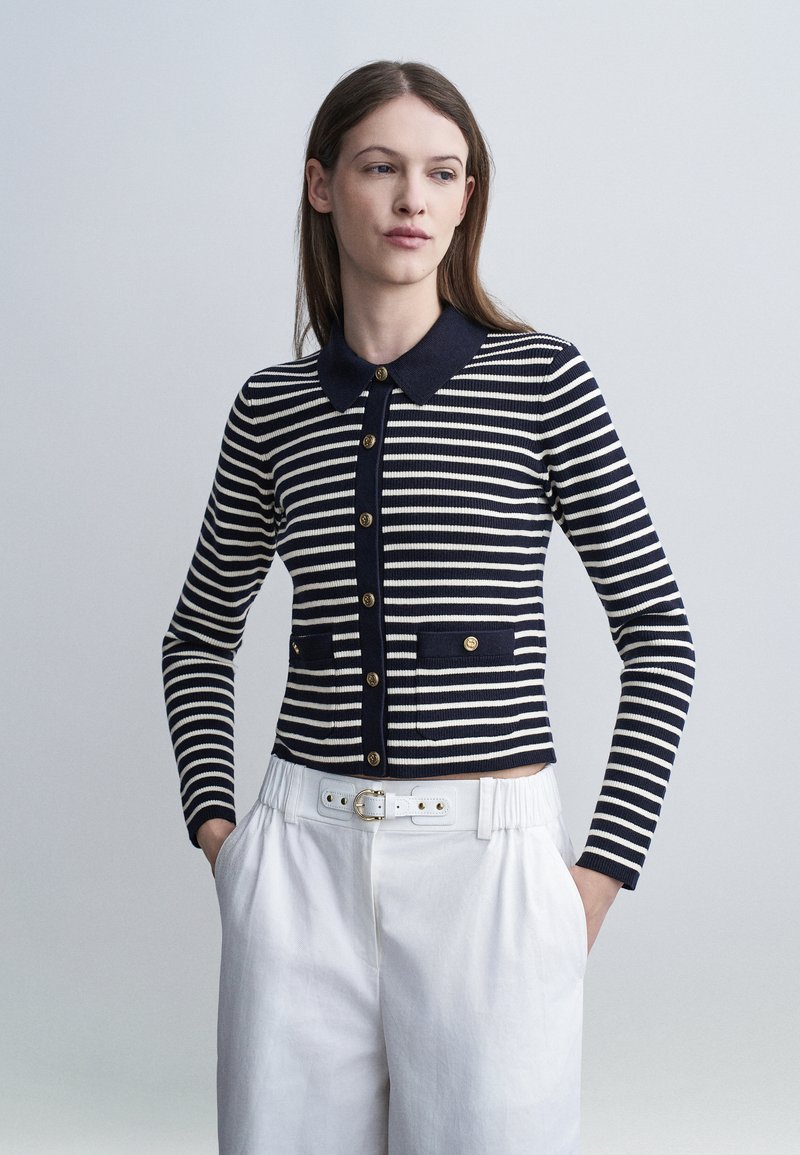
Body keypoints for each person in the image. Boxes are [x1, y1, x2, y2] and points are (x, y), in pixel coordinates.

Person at [161, 59, 696, 1155]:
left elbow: (659, 635)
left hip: (489, 873)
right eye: (381, 168)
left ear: (466, 198)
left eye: (442, 173)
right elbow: (199, 637)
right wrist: (224, 839)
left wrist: (594, 880)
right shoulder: (271, 409)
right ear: (322, 185)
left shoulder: (541, 382)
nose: (413, 198)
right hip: (297, 865)